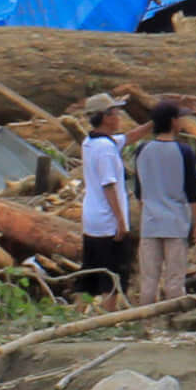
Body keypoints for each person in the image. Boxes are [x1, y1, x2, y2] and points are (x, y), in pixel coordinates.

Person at [134, 98, 196, 303]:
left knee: (148, 282)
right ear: (173, 122)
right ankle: (175, 328)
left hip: (150, 224)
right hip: (176, 223)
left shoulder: (142, 150)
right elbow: (193, 192)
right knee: (174, 282)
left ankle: (146, 325)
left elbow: (140, 192)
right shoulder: (184, 152)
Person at [75, 94, 135, 307]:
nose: (119, 116)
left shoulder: (90, 142)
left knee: (89, 273)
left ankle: (75, 317)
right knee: (112, 277)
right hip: (108, 221)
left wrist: (155, 121)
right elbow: (108, 185)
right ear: (106, 117)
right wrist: (121, 221)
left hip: (92, 219)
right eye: (115, 112)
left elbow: (128, 138)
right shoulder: (106, 150)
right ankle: (109, 320)